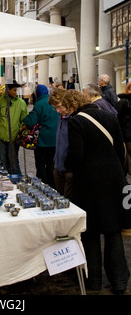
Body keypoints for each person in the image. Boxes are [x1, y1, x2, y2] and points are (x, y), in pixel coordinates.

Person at [62, 90, 130, 294]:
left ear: (71, 105)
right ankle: (119, 281)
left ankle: (93, 280)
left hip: (90, 182)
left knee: (89, 231)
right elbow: (120, 149)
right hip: (114, 178)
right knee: (113, 230)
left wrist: (66, 166)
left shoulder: (76, 122)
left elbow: (76, 154)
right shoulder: (109, 116)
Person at [0, 80, 28, 175]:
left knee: (13, 162)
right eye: (14, 90)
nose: (16, 92)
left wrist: (22, 134)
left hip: (14, 138)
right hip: (0, 138)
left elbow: (24, 120)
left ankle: (16, 180)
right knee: (3, 162)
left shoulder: (21, 103)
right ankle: (5, 181)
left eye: (17, 90)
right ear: (8, 90)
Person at [24, 84, 60, 187]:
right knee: (51, 164)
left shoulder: (39, 104)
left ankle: (42, 184)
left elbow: (30, 122)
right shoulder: (54, 102)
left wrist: (26, 118)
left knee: (40, 164)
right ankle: (53, 185)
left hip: (42, 140)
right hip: (55, 139)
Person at [48, 88, 73, 199]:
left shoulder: (74, 119)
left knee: (69, 201)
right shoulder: (61, 118)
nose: (57, 110)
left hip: (69, 170)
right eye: (55, 108)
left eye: (59, 107)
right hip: (58, 167)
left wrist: (69, 165)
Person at [116, 81, 131, 175]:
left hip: (127, 132)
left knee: (128, 155)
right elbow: (116, 115)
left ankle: (124, 173)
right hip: (128, 132)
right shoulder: (124, 102)